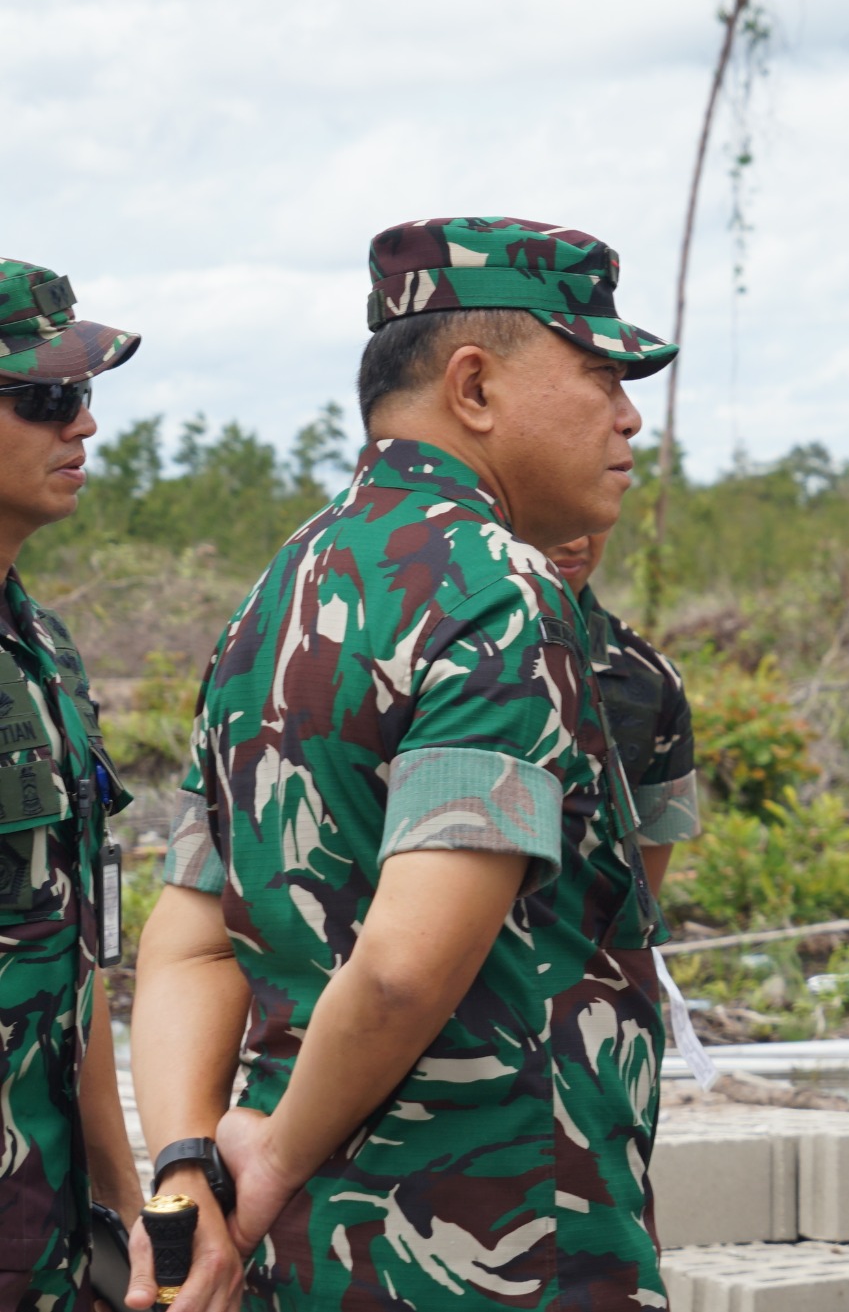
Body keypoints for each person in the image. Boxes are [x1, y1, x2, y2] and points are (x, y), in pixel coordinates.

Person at [127, 216, 677, 1309]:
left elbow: (190, 940)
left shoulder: (277, 594)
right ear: (473, 386)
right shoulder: (497, 592)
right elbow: (402, 967)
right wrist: (271, 1163)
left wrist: (189, 1168)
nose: (627, 416)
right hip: (496, 1244)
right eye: (600, 374)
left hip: (305, 1262)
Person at [0, 260, 142, 1308]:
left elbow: (76, 952)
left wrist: (128, 1211)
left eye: (83, 395)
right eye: (49, 399)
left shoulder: (42, 648)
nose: (83, 425)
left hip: (45, 1234)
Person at [548, 528, 699, 888]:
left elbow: (644, 885)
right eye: (560, 516)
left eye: (594, 521)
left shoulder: (652, 679)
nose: (576, 541)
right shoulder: (443, 647)